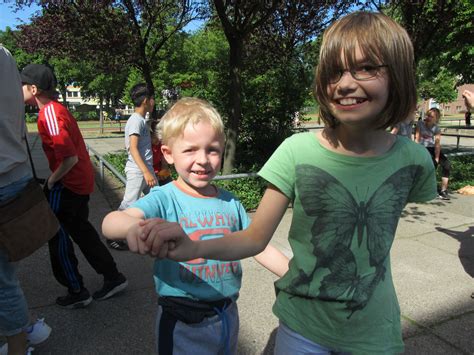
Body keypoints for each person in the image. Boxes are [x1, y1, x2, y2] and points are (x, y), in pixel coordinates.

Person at [133, 12, 438, 354]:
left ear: (397, 75)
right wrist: (192, 248)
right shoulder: (296, 151)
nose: (346, 83)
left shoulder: (413, 160)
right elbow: (255, 237)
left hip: (375, 328)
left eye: (366, 67)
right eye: (335, 71)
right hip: (304, 326)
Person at [102, 97, 289, 354]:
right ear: (168, 153)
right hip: (182, 320)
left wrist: (293, 274)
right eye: (190, 150)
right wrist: (132, 228)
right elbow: (111, 222)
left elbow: (258, 245)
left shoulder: (230, 202)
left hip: (226, 313)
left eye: (212, 149)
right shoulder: (165, 197)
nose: (203, 159)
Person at [21, 64, 128, 308]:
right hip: (80, 183)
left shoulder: (48, 113)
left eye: (22, 86)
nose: (19, 91)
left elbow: (68, 157)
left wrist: (51, 181)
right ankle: (113, 277)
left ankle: (76, 290)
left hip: (67, 185)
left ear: (34, 89)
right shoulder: (58, 109)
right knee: (82, 232)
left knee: (56, 236)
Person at [0, 46, 51, 355]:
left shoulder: (52, 115)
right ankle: (23, 332)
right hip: (13, 172)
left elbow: (66, 154)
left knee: (3, 280)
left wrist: (57, 179)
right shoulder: (5, 54)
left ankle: (19, 341)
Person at [108, 83, 157, 250]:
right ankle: (113, 234)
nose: (154, 101)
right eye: (152, 99)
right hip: (139, 171)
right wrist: (146, 172)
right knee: (129, 204)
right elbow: (133, 148)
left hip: (146, 170)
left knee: (156, 199)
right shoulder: (135, 121)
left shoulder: (142, 121)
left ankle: (151, 234)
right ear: (145, 101)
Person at [415, 107, 451, 200]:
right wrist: (416, 152)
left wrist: (437, 158)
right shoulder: (420, 123)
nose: (428, 118)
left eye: (431, 116)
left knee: (447, 165)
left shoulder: (436, 128)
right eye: (428, 115)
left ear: (436, 118)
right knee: (429, 166)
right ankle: (421, 189)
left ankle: (443, 191)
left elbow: (437, 144)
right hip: (422, 148)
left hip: (432, 148)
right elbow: (417, 138)